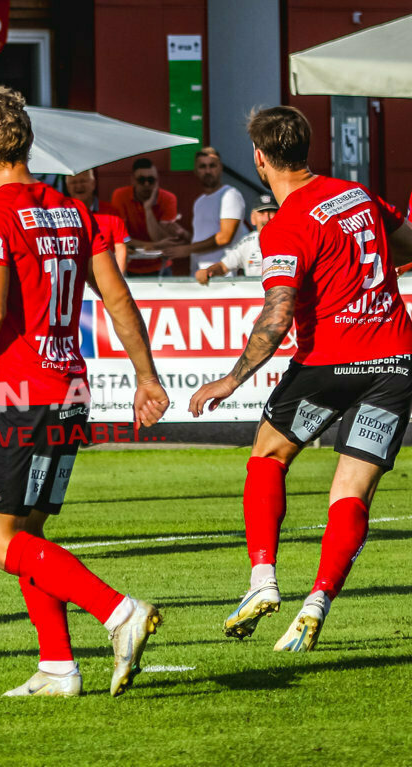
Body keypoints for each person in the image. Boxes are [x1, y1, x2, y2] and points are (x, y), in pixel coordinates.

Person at [0, 86, 169, 698]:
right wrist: (146, 376)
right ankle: (58, 664)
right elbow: (117, 298)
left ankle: (118, 612)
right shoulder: (75, 212)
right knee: (28, 533)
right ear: (28, 142)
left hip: (23, 392)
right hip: (70, 389)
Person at [189, 105, 412, 652]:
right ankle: (319, 600)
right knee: (351, 490)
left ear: (260, 159)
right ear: (307, 147)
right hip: (395, 362)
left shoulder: (285, 226)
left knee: (268, 454)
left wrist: (231, 379)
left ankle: (262, 580)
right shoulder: (357, 193)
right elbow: (407, 241)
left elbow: (278, 314)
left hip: (328, 364)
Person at [163, 147, 246, 273]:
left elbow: (225, 237)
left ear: (220, 168)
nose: (208, 171)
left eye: (212, 165)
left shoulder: (230, 194)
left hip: (223, 275)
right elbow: (202, 238)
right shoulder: (199, 202)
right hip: (199, 273)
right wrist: (184, 234)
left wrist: (187, 249)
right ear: (196, 171)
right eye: (202, 166)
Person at [111, 158, 185, 276]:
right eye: (141, 180)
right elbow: (120, 237)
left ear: (157, 181)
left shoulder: (168, 198)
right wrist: (153, 246)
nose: (146, 184)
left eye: (151, 180)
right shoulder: (120, 196)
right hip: (130, 265)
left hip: (160, 266)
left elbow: (162, 239)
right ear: (133, 180)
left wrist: (148, 209)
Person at [195, 193, 278, 284]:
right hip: (256, 296)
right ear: (253, 218)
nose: (267, 218)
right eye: (262, 213)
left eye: (271, 212)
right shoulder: (247, 242)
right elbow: (223, 266)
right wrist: (208, 271)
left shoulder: (292, 240)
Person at [65, 170, 130, 272]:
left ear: (93, 184)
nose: (78, 186)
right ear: (67, 187)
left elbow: (121, 248)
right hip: (74, 275)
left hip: (105, 274)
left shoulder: (111, 212)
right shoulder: (61, 213)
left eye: (83, 181)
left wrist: (119, 279)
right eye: (73, 182)